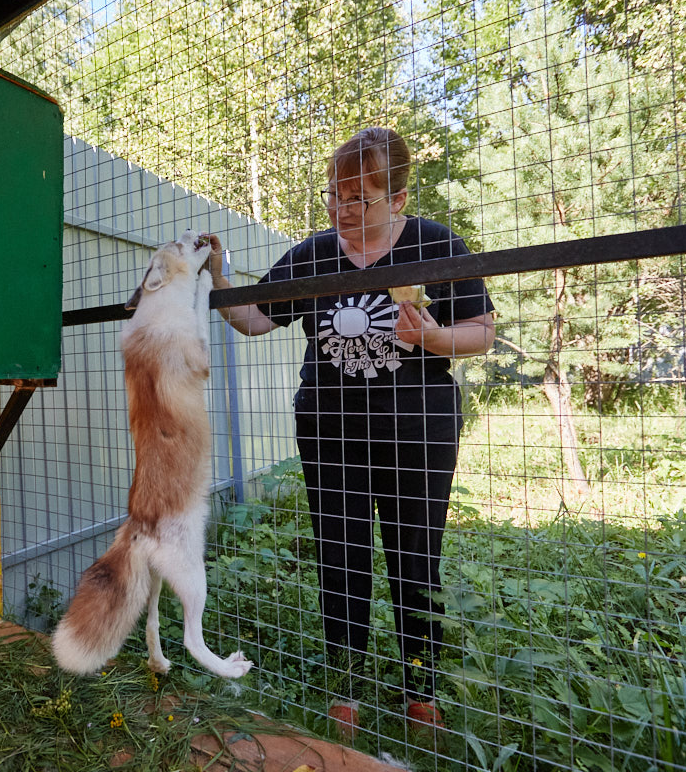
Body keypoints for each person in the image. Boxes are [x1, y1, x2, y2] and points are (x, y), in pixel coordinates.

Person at [205, 126, 495, 737]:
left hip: (418, 432)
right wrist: (219, 277)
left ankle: (421, 687)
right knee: (341, 556)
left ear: (398, 198)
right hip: (329, 433)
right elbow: (255, 321)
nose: (341, 209)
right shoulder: (312, 255)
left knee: (416, 558)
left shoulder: (435, 244)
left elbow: (481, 331)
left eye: (359, 198)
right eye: (335, 195)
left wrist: (433, 338)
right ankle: (347, 687)